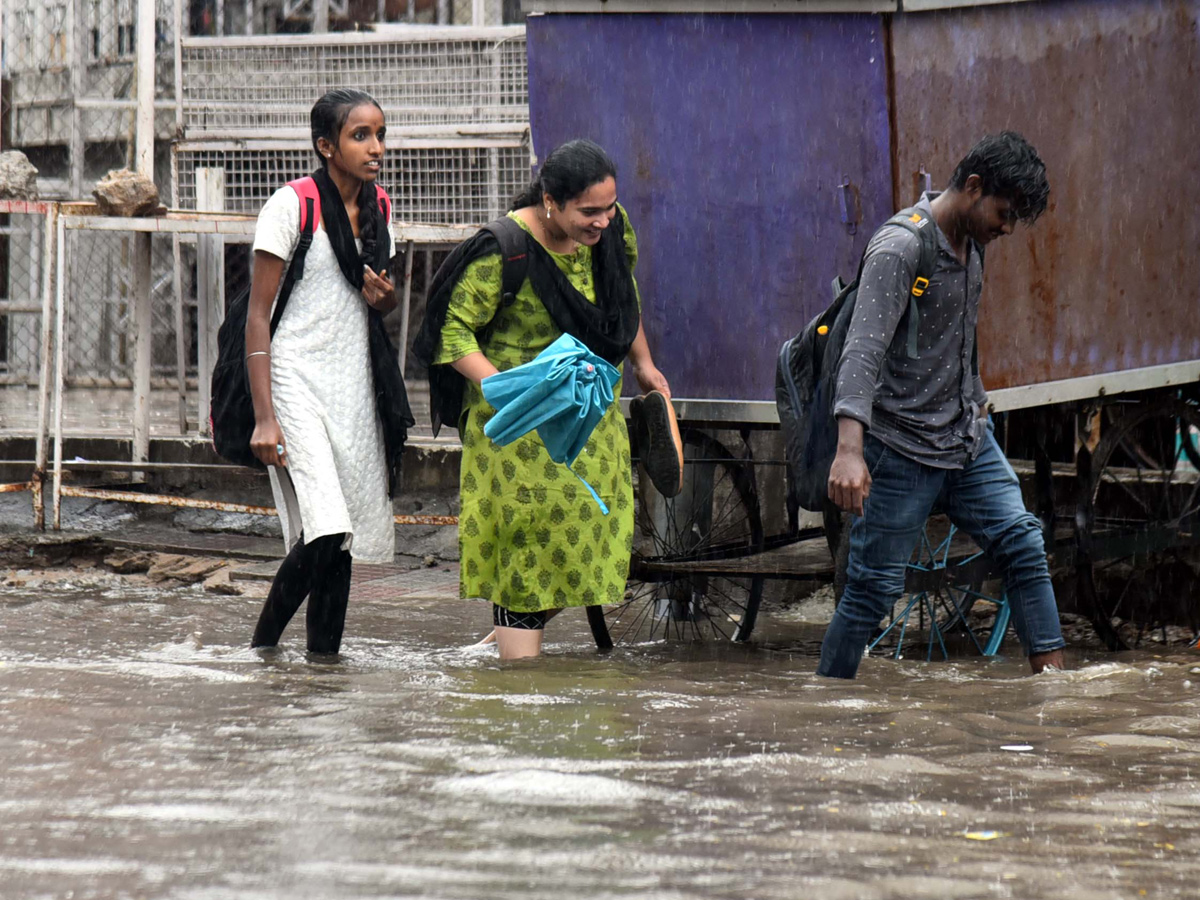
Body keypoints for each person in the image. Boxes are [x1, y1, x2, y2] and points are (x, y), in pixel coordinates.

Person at [820, 131, 1066, 679]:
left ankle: (1055, 694)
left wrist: (976, 403)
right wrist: (849, 452)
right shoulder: (901, 247)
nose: (1005, 228)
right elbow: (861, 353)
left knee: (1024, 545)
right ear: (973, 187)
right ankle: (828, 708)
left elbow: (958, 339)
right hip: (900, 447)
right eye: (1002, 213)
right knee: (870, 592)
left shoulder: (974, 246)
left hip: (964, 440)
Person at [415, 139, 671, 660]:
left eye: (608, 208)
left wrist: (644, 364)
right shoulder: (503, 249)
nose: (602, 221)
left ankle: (502, 648)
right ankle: (518, 682)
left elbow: (623, 298)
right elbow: (450, 332)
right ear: (550, 200)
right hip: (517, 428)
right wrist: (502, 388)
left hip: (588, 419)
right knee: (526, 550)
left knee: (588, 534)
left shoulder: (611, 231)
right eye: (589, 211)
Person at [245, 89, 406, 654]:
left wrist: (384, 299)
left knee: (344, 540)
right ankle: (261, 649)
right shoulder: (292, 205)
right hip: (293, 377)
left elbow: (377, 305)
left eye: (380, 134)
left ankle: (322, 667)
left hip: (353, 383)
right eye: (361, 135)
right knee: (327, 528)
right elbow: (258, 318)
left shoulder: (381, 206)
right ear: (325, 146)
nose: (376, 147)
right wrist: (265, 417)